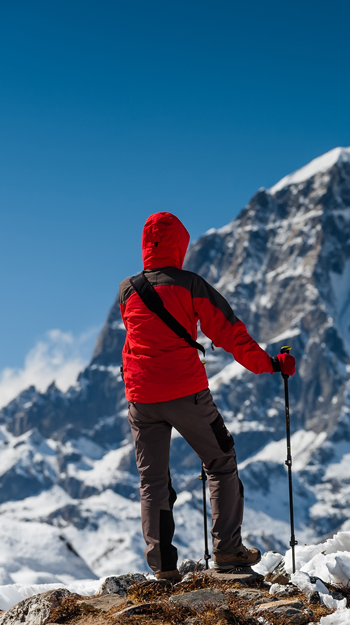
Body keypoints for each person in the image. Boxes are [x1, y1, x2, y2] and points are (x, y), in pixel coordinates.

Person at [118, 211, 295, 581]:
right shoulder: (191, 285)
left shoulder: (128, 291)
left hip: (142, 398)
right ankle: (228, 551)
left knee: (152, 481)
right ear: (180, 245)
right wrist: (272, 365)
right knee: (221, 460)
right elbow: (231, 333)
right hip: (187, 393)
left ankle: (163, 568)